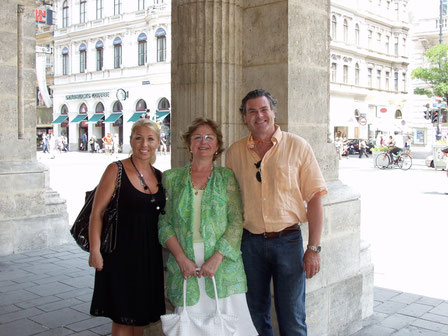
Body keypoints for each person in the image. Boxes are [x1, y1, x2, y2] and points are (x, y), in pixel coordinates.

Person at [226, 89, 328, 336]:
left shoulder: (298, 146)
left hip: (288, 242)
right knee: (255, 316)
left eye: (264, 109)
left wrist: (313, 249)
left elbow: (315, 198)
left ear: (273, 112)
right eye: (252, 111)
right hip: (249, 244)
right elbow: (229, 203)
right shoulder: (234, 152)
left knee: (292, 317)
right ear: (244, 117)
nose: (259, 116)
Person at [158, 117, 257, 336]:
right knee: (190, 325)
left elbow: (235, 221)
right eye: (198, 137)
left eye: (209, 137)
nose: (204, 142)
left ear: (217, 145)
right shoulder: (171, 178)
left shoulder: (226, 178)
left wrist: (217, 258)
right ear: (189, 144)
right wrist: (181, 258)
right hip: (185, 263)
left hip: (222, 265)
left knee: (231, 326)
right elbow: (164, 223)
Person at [89, 118, 166, 336]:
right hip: (119, 256)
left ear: (158, 142)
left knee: (139, 318)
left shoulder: (160, 176)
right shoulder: (116, 170)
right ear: (131, 140)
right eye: (138, 138)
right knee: (122, 318)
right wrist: (95, 250)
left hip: (148, 257)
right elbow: (97, 213)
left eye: (150, 139)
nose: (144, 144)